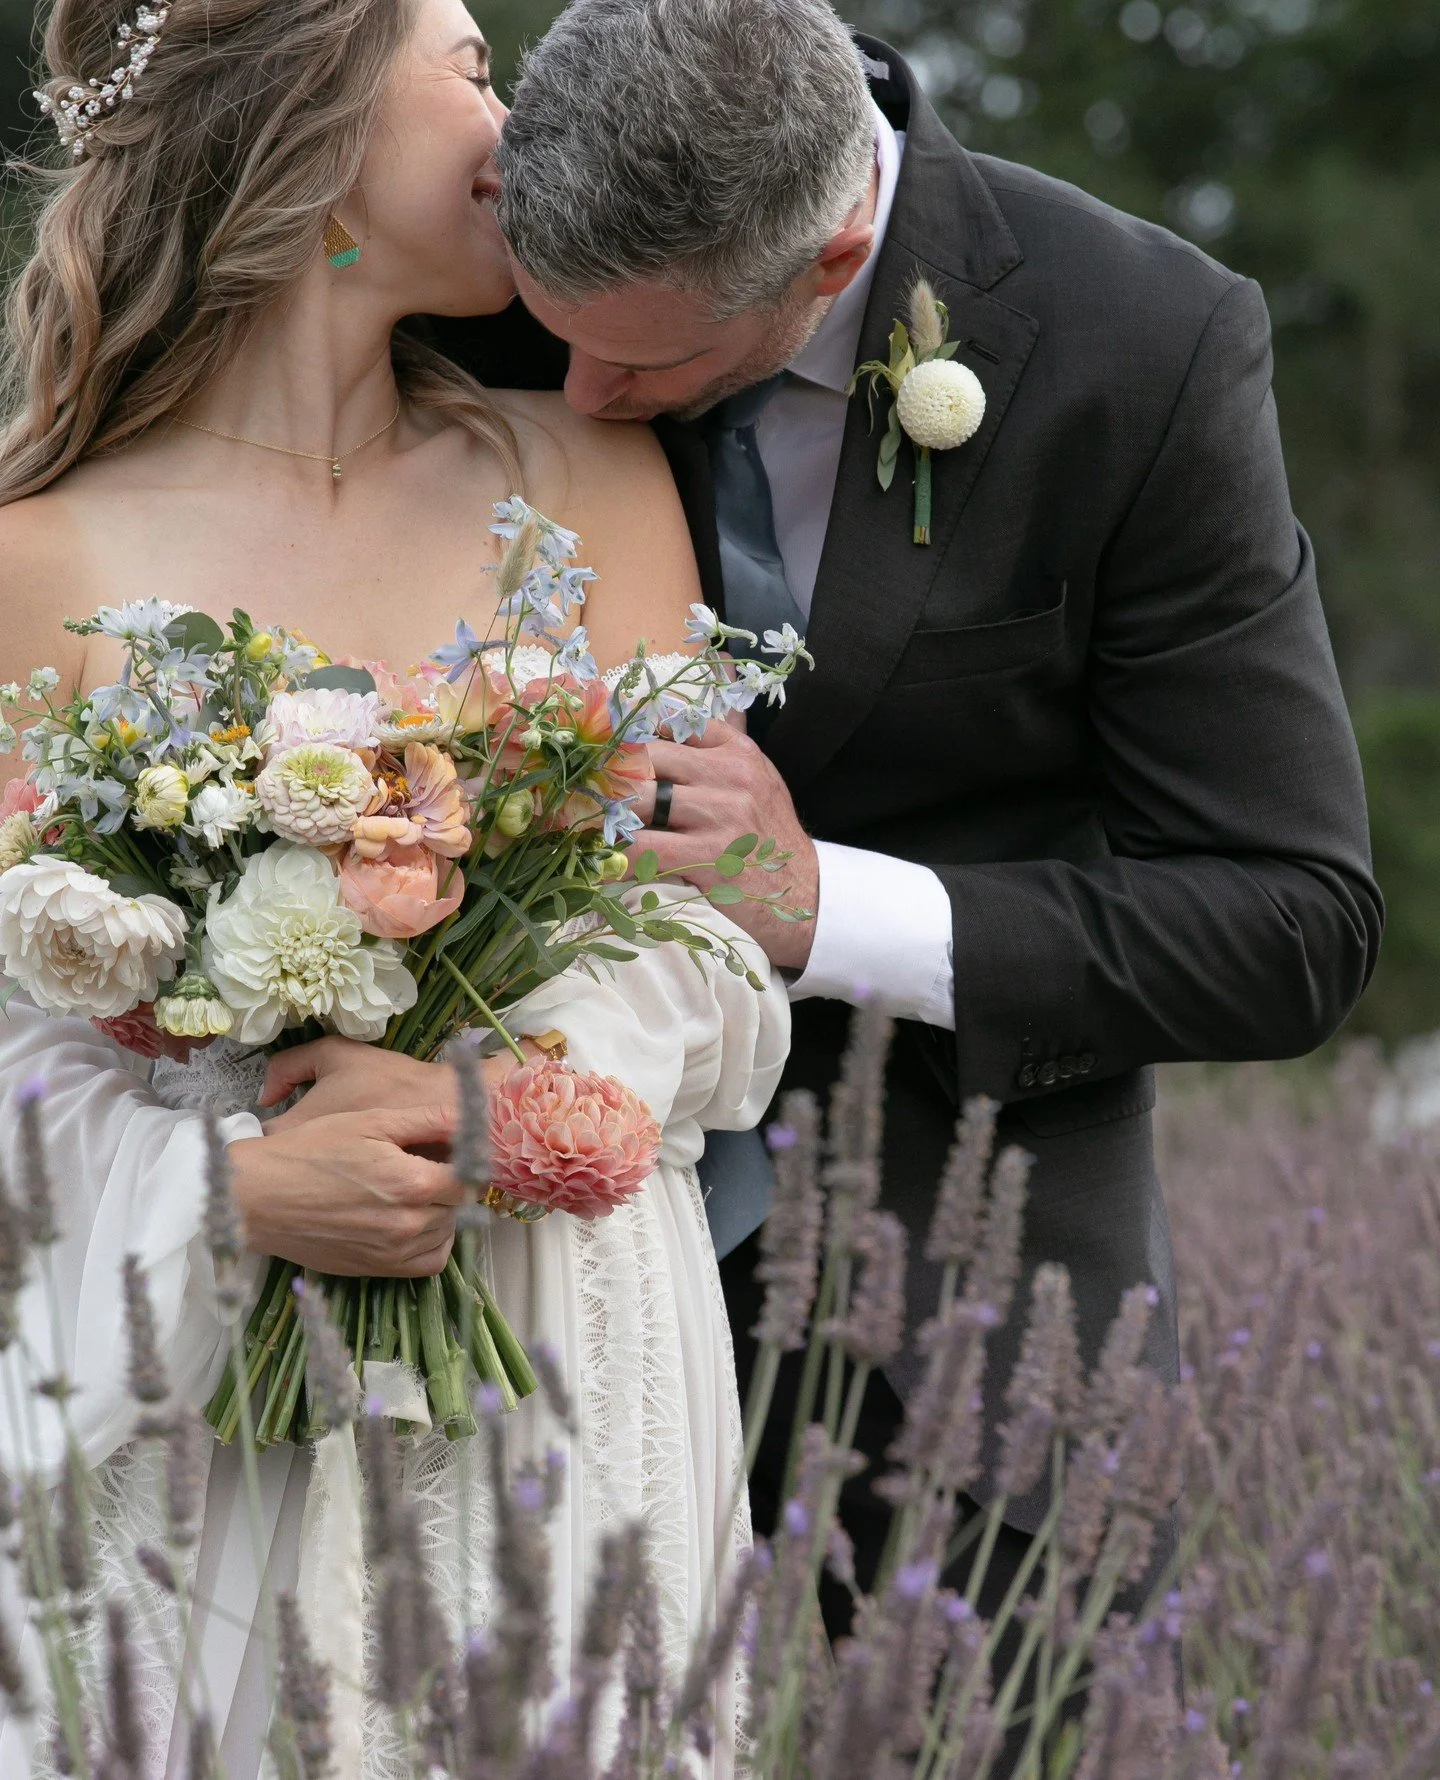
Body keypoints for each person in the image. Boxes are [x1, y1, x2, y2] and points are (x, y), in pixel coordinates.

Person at [473, 0, 1384, 1728]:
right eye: (553, 334)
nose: (579, 395)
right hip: (523, 1300)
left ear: (831, 258)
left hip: (968, 1332)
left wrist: (826, 907)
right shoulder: (487, 270)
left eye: (645, 366)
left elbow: (1291, 920)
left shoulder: (1144, 344)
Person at [0, 0, 788, 1774]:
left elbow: (702, 919)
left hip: (559, 1328)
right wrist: (235, 1191)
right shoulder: (35, 555)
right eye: (471, 68)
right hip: (204, 1385)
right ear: (322, 128)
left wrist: (497, 1097)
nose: (520, 124)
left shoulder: (589, 476)